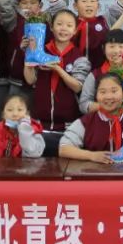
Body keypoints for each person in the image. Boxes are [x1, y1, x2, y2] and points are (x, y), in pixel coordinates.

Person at [23, 9, 91, 155]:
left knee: (65, 163)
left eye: (69, 25)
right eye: (59, 24)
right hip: (39, 125)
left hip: (69, 126)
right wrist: (29, 55)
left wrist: (57, 69)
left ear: (75, 30)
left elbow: (78, 87)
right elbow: (30, 80)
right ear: (51, 27)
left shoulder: (79, 56)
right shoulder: (41, 52)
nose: (63, 28)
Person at [60, 72, 123, 162]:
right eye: (103, 92)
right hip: (95, 175)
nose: (108, 97)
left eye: (114, 91)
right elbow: (63, 148)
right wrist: (92, 156)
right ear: (96, 96)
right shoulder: (86, 122)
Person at [79, 29, 123, 113]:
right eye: (111, 46)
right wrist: (106, 105)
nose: (116, 51)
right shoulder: (94, 76)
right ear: (103, 48)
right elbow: (83, 105)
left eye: (121, 46)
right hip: (101, 120)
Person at [0, 93, 45, 158]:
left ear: (27, 114)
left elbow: (34, 154)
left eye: (20, 110)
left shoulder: (34, 131)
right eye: (10, 110)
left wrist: (24, 129)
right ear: (3, 115)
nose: (15, 114)